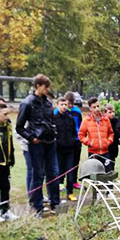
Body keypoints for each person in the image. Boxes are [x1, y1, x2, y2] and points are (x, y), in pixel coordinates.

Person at [16, 74, 60, 216]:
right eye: (45, 87)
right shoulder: (27, 103)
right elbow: (19, 127)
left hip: (50, 142)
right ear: (38, 86)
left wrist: (54, 132)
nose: (47, 89)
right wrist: (31, 138)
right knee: (38, 175)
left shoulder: (48, 102)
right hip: (37, 143)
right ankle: (37, 207)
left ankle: (56, 203)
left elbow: (51, 120)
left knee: (53, 173)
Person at [53, 95, 77, 201]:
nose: (64, 107)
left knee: (70, 172)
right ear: (57, 105)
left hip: (69, 150)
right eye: (61, 105)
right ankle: (56, 193)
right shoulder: (54, 118)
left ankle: (70, 192)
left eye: (65, 105)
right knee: (59, 171)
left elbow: (73, 132)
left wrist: (72, 142)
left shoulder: (70, 118)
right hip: (58, 150)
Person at [78, 97, 114, 167]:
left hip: (105, 152)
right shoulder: (86, 120)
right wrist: (89, 142)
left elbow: (111, 133)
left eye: (98, 106)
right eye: (94, 107)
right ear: (90, 108)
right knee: (94, 173)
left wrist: (108, 141)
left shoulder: (106, 119)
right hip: (93, 153)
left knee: (107, 173)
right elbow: (81, 135)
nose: (97, 109)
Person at [65, 92, 83, 190]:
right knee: (66, 162)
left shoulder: (77, 112)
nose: (70, 106)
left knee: (75, 162)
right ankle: (62, 182)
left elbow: (81, 125)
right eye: (68, 103)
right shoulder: (62, 111)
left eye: (72, 103)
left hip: (77, 141)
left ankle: (74, 182)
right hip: (66, 141)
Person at [104, 103, 119, 173]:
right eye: (110, 112)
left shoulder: (116, 121)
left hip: (114, 148)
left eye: (113, 112)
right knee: (106, 166)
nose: (112, 114)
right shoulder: (103, 122)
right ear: (105, 113)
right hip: (106, 148)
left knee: (112, 166)